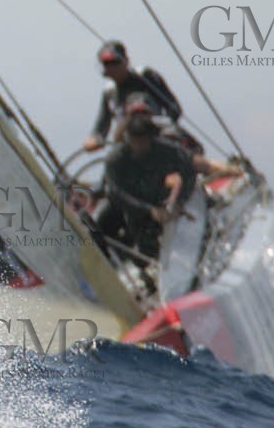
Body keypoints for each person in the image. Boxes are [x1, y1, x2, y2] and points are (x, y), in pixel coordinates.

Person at [96, 114, 197, 290]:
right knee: (98, 229)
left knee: (151, 246)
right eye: (134, 141)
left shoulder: (166, 150)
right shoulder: (116, 159)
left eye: (143, 141)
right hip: (126, 207)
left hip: (158, 202)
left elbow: (189, 171)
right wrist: (149, 210)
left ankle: (157, 273)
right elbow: (117, 193)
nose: (139, 146)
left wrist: (179, 201)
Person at [80, 40, 182, 153]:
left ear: (126, 61)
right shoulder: (109, 92)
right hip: (130, 150)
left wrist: (153, 123)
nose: (111, 68)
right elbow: (100, 129)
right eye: (106, 64)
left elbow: (174, 109)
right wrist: (93, 141)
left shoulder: (144, 76)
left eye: (115, 62)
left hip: (158, 141)